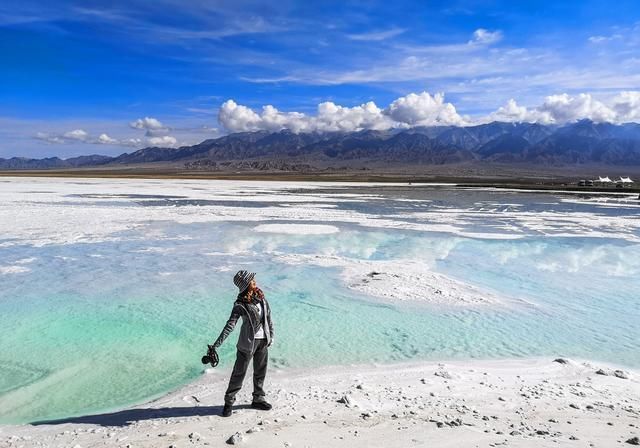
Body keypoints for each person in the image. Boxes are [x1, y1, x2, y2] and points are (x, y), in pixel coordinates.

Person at [211, 270, 275, 417]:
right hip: (247, 344)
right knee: (239, 374)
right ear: (246, 285)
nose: (255, 281)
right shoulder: (240, 304)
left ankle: (258, 399)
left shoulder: (261, 298)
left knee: (260, 372)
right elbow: (230, 325)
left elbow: (268, 318)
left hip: (263, 341)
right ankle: (229, 403)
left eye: (253, 279)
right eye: (252, 280)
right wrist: (216, 344)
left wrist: (271, 336)